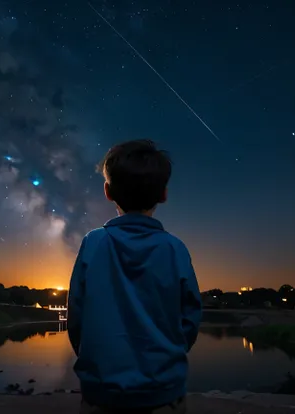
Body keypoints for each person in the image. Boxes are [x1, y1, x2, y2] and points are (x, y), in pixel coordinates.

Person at [67, 139, 203, 414]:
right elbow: (189, 318)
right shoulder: (175, 248)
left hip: (101, 394)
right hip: (163, 393)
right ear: (164, 194)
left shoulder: (93, 243)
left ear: (107, 191)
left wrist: (94, 361)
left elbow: (76, 318)